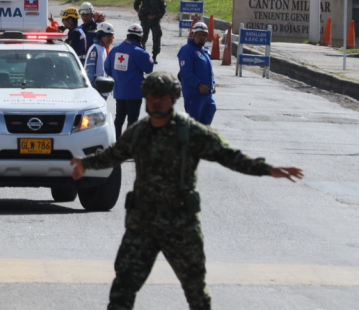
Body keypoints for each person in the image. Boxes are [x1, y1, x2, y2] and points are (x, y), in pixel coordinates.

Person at [70, 72, 304, 310]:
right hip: (143, 224)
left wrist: (268, 169)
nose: (156, 101)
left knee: (196, 291)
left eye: (162, 96)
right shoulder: (138, 132)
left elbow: (229, 156)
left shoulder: (190, 132)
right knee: (122, 289)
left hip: (180, 223)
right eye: (151, 96)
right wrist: (84, 164)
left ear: (173, 98)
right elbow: (114, 154)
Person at [105, 23, 154, 138]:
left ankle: (116, 142)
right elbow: (149, 68)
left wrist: (119, 77)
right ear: (140, 37)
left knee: (119, 119)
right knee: (132, 121)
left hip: (119, 92)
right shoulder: (139, 52)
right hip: (134, 93)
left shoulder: (115, 50)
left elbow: (107, 68)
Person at [178, 22, 216, 125]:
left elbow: (209, 71)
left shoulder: (204, 51)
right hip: (194, 94)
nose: (202, 37)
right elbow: (185, 72)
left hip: (207, 94)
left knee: (209, 116)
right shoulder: (187, 50)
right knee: (194, 124)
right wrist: (198, 85)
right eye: (199, 34)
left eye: (204, 35)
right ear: (192, 34)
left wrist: (213, 83)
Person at [133, 0, 166, 64]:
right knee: (142, 38)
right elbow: (136, 3)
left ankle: (154, 56)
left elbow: (162, 10)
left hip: (155, 21)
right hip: (145, 20)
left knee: (157, 38)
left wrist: (155, 16)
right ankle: (141, 55)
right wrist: (139, 11)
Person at [84, 22, 115, 98]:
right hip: (96, 89)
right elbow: (90, 70)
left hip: (103, 88)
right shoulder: (95, 49)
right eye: (108, 36)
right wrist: (92, 88)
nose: (110, 39)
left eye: (111, 36)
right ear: (101, 35)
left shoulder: (103, 48)